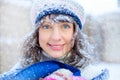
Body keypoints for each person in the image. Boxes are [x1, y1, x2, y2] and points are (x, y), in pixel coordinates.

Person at [0, 0, 109, 80]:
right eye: (46, 27)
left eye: (65, 26)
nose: (55, 37)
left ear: (75, 34)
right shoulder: (20, 72)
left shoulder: (93, 75)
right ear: (37, 33)